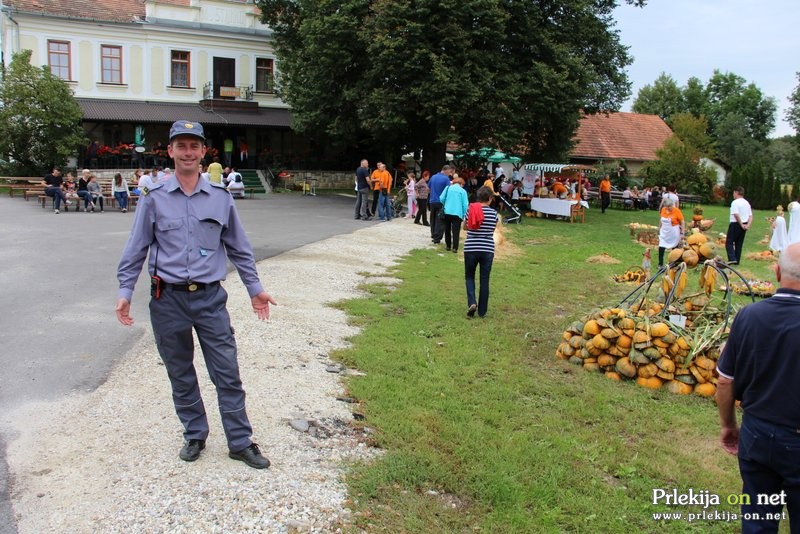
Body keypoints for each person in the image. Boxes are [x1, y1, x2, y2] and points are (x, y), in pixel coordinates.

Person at [116, 120, 276, 469]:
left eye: (194, 146)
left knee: (227, 371)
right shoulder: (154, 198)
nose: (188, 152)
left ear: (204, 152)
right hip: (167, 300)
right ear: (170, 151)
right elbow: (136, 248)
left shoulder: (220, 199)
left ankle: (239, 441)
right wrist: (125, 290)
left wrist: (255, 289)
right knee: (180, 371)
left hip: (209, 299)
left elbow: (240, 249)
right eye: (181, 146)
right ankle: (194, 433)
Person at [716, 242, 800, 534]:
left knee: (758, 519)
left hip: (756, 433)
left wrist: (729, 425)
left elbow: (725, 380)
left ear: (776, 272)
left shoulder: (748, 317)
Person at [464, 186, 498, 318]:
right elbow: (492, 229)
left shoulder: (471, 210)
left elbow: (465, 226)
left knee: (469, 276)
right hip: (487, 249)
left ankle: (472, 302)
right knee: (484, 279)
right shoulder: (493, 213)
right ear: (489, 198)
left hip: (471, 247)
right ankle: (482, 311)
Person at [439, 176, 468, 253]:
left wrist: (445, 203)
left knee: (447, 229)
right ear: (461, 184)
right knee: (456, 231)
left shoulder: (448, 188)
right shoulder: (463, 191)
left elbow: (441, 198)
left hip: (447, 211)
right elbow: (465, 204)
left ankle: (448, 246)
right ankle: (455, 248)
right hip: (457, 213)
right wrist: (464, 214)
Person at [428, 164, 454, 244]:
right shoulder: (446, 179)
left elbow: (428, 187)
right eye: (449, 172)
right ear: (446, 170)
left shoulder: (433, 177)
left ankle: (433, 234)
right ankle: (437, 238)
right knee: (440, 220)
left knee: (433, 219)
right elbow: (448, 190)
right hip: (441, 202)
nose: (449, 174)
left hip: (432, 201)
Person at [726, 186, 752, 265]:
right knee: (738, 244)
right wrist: (747, 225)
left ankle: (732, 258)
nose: (733, 195)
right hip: (744, 224)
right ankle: (737, 260)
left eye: (734, 193)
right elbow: (750, 216)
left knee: (729, 242)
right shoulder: (746, 203)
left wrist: (740, 224)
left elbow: (736, 214)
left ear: (736, 193)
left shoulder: (735, 202)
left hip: (735, 223)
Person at [656, 197, 685, 268]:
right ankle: (660, 264)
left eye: (671, 206)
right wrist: (659, 228)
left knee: (674, 247)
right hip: (664, 232)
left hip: (673, 232)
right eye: (668, 206)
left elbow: (682, 221)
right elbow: (661, 219)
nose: (670, 208)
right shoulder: (663, 210)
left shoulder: (677, 211)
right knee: (661, 247)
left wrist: (682, 233)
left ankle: (673, 263)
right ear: (665, 206)